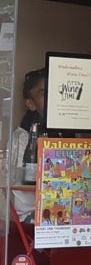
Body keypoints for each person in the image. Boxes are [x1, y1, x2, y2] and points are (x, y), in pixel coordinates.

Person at [10, 68, 46, 222]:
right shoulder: (21, 138)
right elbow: (23, 184)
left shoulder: (61, 134)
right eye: (44, 93)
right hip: (31, 214)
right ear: (30, 103)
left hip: (59, 208)